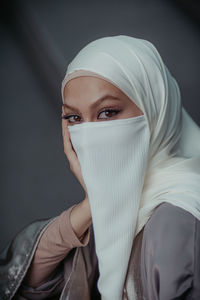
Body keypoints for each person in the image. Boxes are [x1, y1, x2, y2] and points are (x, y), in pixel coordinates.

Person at [0, 35, 200, 300]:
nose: (90, 135)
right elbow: (22, 283)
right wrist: (93, 203)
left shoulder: (175, 221)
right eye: (74, 117)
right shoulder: (120, 203)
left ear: (155, 107)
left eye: (107, 112)